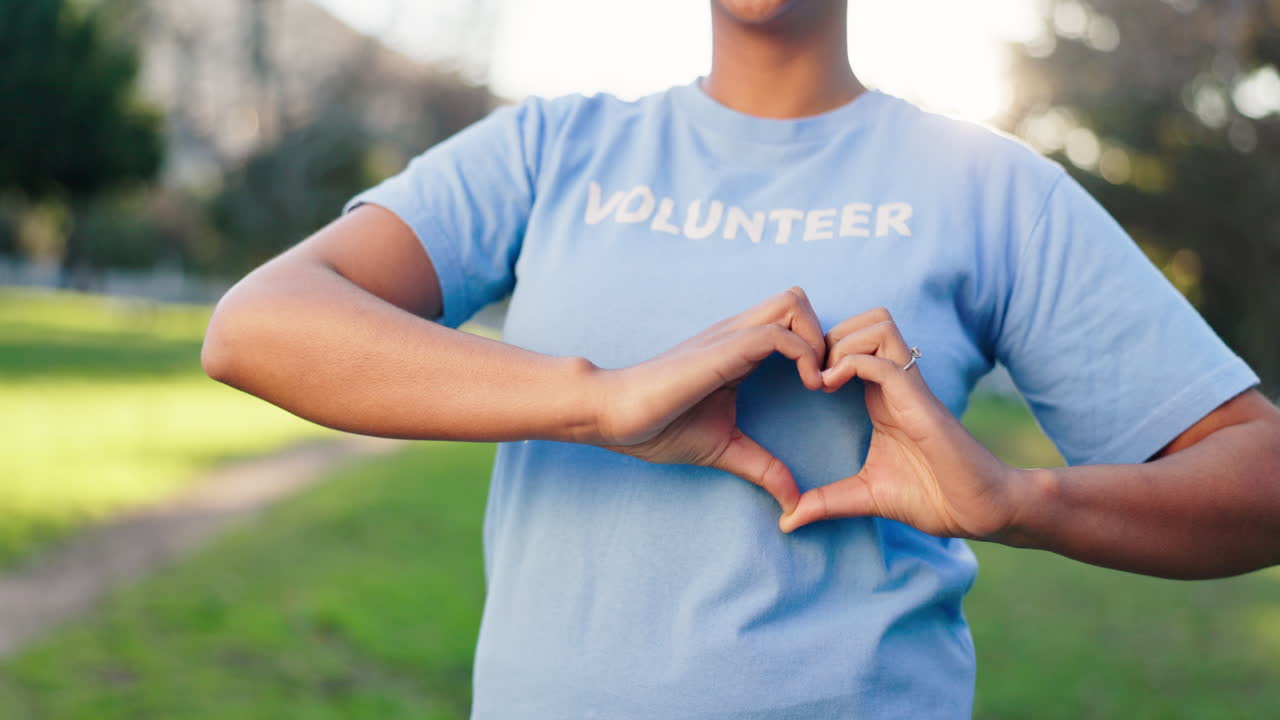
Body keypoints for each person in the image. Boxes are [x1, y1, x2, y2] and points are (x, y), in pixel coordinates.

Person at [201, 1, 1280, 717]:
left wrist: (1014, 497)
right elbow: (258, 327)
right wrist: (598, 401)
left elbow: (1257, 474)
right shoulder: (553, 150)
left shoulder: (988, 188)